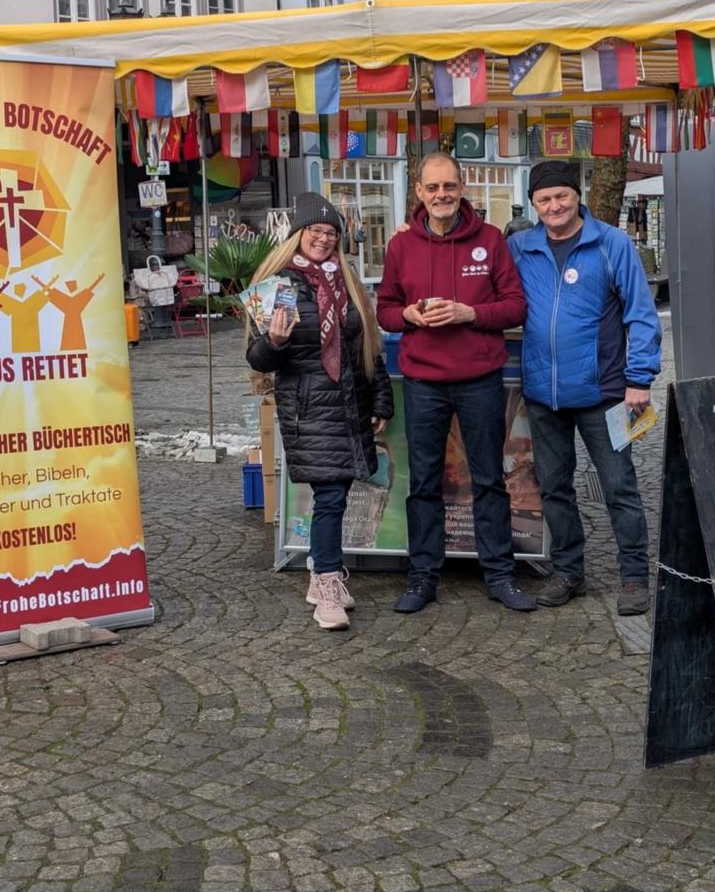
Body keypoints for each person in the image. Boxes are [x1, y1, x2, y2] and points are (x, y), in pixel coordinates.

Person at [375, 153, 534, 615]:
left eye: (450, 186)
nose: (442, 194)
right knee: (423, 483)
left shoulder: (489, 241)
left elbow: (516, 307)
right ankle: (423, 576)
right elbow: (385, 308)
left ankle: (500, 575)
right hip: (423, 380)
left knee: (489, 479)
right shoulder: (401, 246)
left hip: (480, 379)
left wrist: (470, 314)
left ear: (463, 188)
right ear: (420, 193)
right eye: (433, 187)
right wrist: (405, 315)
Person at [508, 161, 663, 616]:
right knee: (555, 488)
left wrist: (640, 379)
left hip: (608, 393)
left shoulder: (611, 243)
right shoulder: (520, 247)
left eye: (561, 196)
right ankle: (568, 570)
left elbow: (641, 314)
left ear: (577, 196)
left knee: (620, 487)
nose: (554, 206)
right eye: (544, 200)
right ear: (534, 205)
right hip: (543, 394)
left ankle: (634, 576)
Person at [246, 193, 393, 630]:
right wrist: (274, 341)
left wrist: (381, 397)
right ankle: (327, 579)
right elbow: (259, 360)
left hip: (350, 403)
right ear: (298, 235)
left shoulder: (349, 284)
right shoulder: (279, 285)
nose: (323, 239)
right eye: (315, 231)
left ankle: (319, 572)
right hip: (309, 405)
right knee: (329, 496)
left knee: (338, 495)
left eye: (331, 233)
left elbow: (369, 348)